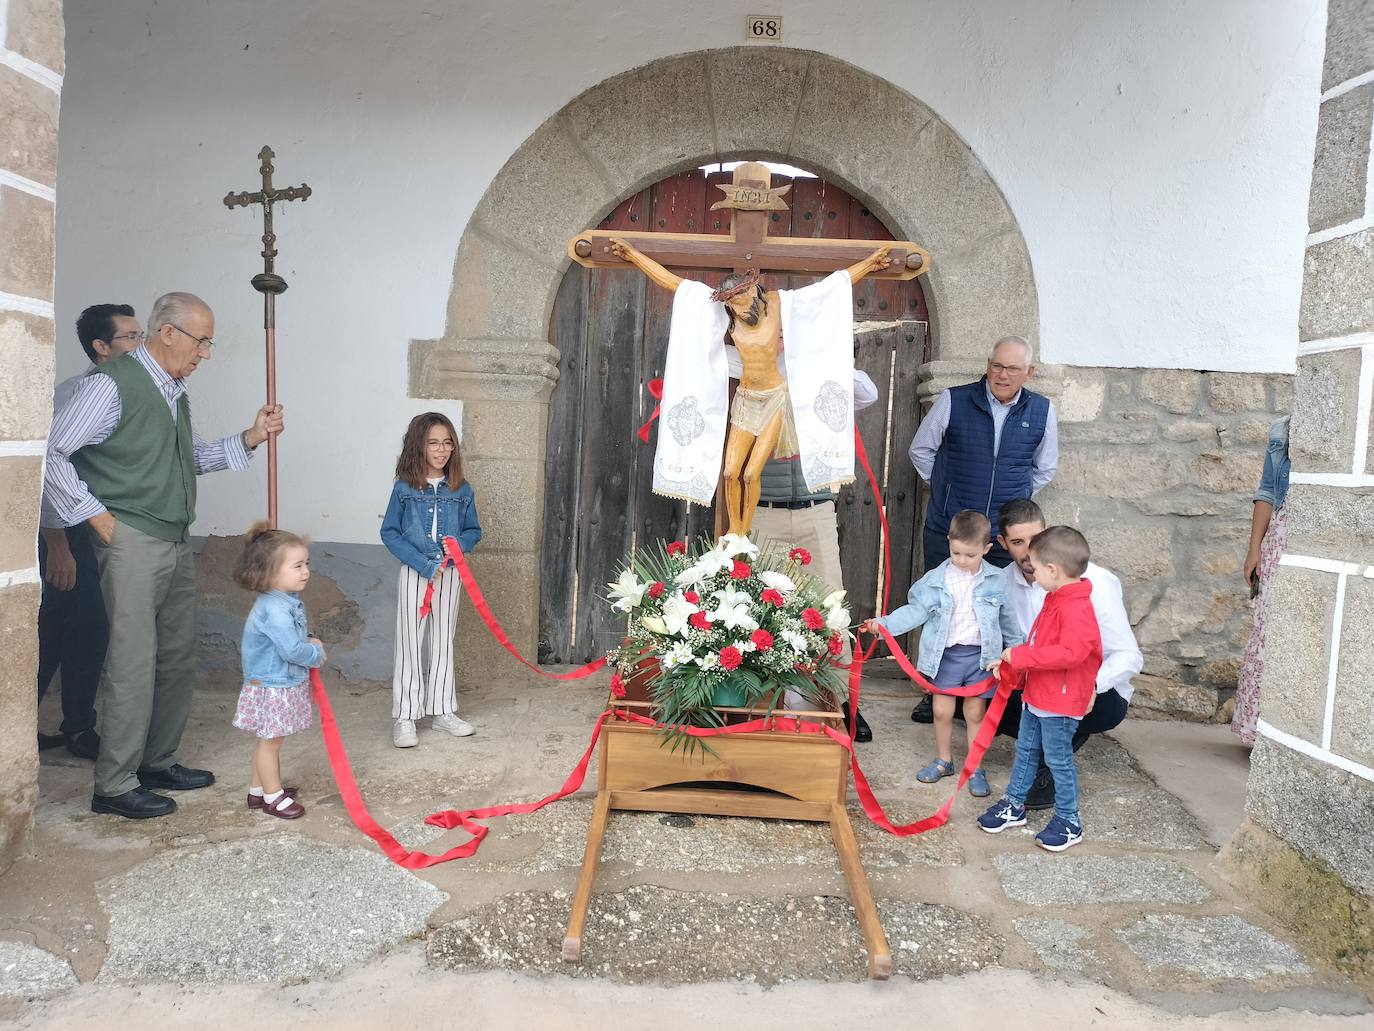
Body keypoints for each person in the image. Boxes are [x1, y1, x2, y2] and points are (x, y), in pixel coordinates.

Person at [42, 291, 284, 820]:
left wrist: (249, 437)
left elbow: (185, 458)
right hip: (129, 538)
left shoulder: (171, 390)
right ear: (168, 333)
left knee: (176, 654)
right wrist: (93, 516)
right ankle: (114, 783)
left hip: (173, 538)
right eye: (202, 341)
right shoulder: (110, 384)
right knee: (132, 660)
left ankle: (156, 761)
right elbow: (53, 449)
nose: (206, 353)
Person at [607, 216, 893, 535]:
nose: (738, 310)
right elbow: (673, 284)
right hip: (745, 399)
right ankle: (735, 535)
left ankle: (741, 534)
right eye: (731, 305)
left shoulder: (777, 304)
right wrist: (634, 256)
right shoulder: (725, 311)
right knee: (730, 472)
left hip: (773, 398)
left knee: (750, 474)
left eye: (741, 301)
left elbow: (830, 289)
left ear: (753, 291)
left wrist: (868, 264)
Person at [728, 344, 878, 742]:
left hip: (816, 510)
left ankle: (846, 703)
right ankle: (758, 702)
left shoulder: (822, 374)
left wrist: (820, 356)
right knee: (761, 608)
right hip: (762, 509)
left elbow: (868, 393)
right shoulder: (749, 365)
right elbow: (711, 360)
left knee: (830, 607)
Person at [908, 335, 1058, 724]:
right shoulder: (954, 400)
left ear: (1029, 372)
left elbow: (1045, 467)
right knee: (943, 607)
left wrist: (1016, 500)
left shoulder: (1041, 410)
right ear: (988, 364)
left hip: (1005, 533)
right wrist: (945, 493)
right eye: (997, 365)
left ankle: (990, 689)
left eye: (1012, 368)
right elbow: (920, 450)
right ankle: (935, 692)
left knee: (994, 610)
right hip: (951, 527)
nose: (1002, 374)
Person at [36, 303, 143, 760]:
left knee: (78, 630)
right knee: (67, 630)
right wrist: (58, 543)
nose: (142, 346)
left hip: (98, 530)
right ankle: (70, 727)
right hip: (72, 532)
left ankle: (68, 726)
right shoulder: (77, 393)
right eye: (131, 338)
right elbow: (45, 467)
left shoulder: (133, 394)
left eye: (143, 335)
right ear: (101, 347)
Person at [861, 510, 1022, 798]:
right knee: (941, 710)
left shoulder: (997, 581)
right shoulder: (935, 580)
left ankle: (974, 767)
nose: (961, 560)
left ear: (986, 549)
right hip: (946, 656)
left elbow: (1008, 619)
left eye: (970, 555)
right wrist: (884, 625)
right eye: (956, 552)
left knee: (975, 713)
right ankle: (944, 760)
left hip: (982, 658)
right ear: (949, 542)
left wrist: (1016, 650)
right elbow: (915, 611)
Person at [994, 499, 1143, 809]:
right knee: (977, 705)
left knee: (1054, 722)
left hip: (1094, 691)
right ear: (1002, 543)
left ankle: (1053, 769)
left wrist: (1092, 685)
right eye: (1017, 542)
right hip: (1038, 684)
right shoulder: (1001, 583)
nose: (1027, 550)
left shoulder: (1095, 582)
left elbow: (1129, 656)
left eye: (1034, 539)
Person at [977, 526, 1103, 852]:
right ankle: (1014, 804)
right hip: (1037, 697)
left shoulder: (1075, 608)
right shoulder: (1056, 598)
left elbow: (1071, 653)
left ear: (1052, 570)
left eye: (1034, 567)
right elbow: (1040, 644)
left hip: (1059, 704)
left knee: (1058, 761)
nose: (1031, 573)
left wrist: (1020, 655)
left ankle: (1068, 820)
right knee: (1027, 752)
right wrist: (1011, 666)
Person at [381, 412, 482, 748]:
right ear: (419, 445)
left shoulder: (461, 489)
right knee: (410, 641)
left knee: (442, 641)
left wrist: (457, 550)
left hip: (450, 575)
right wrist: (422, 563)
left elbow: (473, 531)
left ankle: (442, 711)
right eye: (433, 443)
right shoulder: (405, 489)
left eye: (447, 442)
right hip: (415, 572)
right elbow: (390, 532)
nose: (441, 450)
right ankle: (406, 716)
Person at [231, 523, 324, 821]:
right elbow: (292, 651)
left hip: (275, 681)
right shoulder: (275, 610)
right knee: (271, 742)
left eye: (306, 564)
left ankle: (257, 791)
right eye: (297, 566)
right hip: (272, 685)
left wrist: (306, 640)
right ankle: (273, 797)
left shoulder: (283, 602)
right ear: (270, 573)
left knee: (269, 739)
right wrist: (316, 651)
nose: (306, 571)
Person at [1232, 415, 1291, 746]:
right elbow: (1267, 491)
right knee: (1268, 631)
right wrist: (1254, 549)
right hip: (1281, 535)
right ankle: (1258, 731)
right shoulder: (1281, 429)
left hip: (1317, 533)